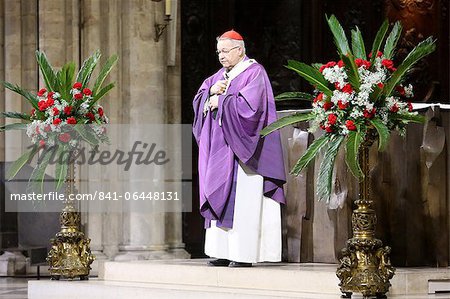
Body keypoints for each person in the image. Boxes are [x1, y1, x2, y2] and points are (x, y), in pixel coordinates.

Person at [192, 30, 286, 267]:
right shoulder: (218, 77)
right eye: (219, 52)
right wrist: (209, 95)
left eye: (225, 51)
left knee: (244, 201)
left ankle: (243, 255)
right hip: (219, 152)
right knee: (219, 194)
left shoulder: (254, 73)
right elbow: (200, 97)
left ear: (240, 50)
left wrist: (221, 102)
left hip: (245, 154)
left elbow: (252, 110)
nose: (221, 56)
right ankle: (222, 252)